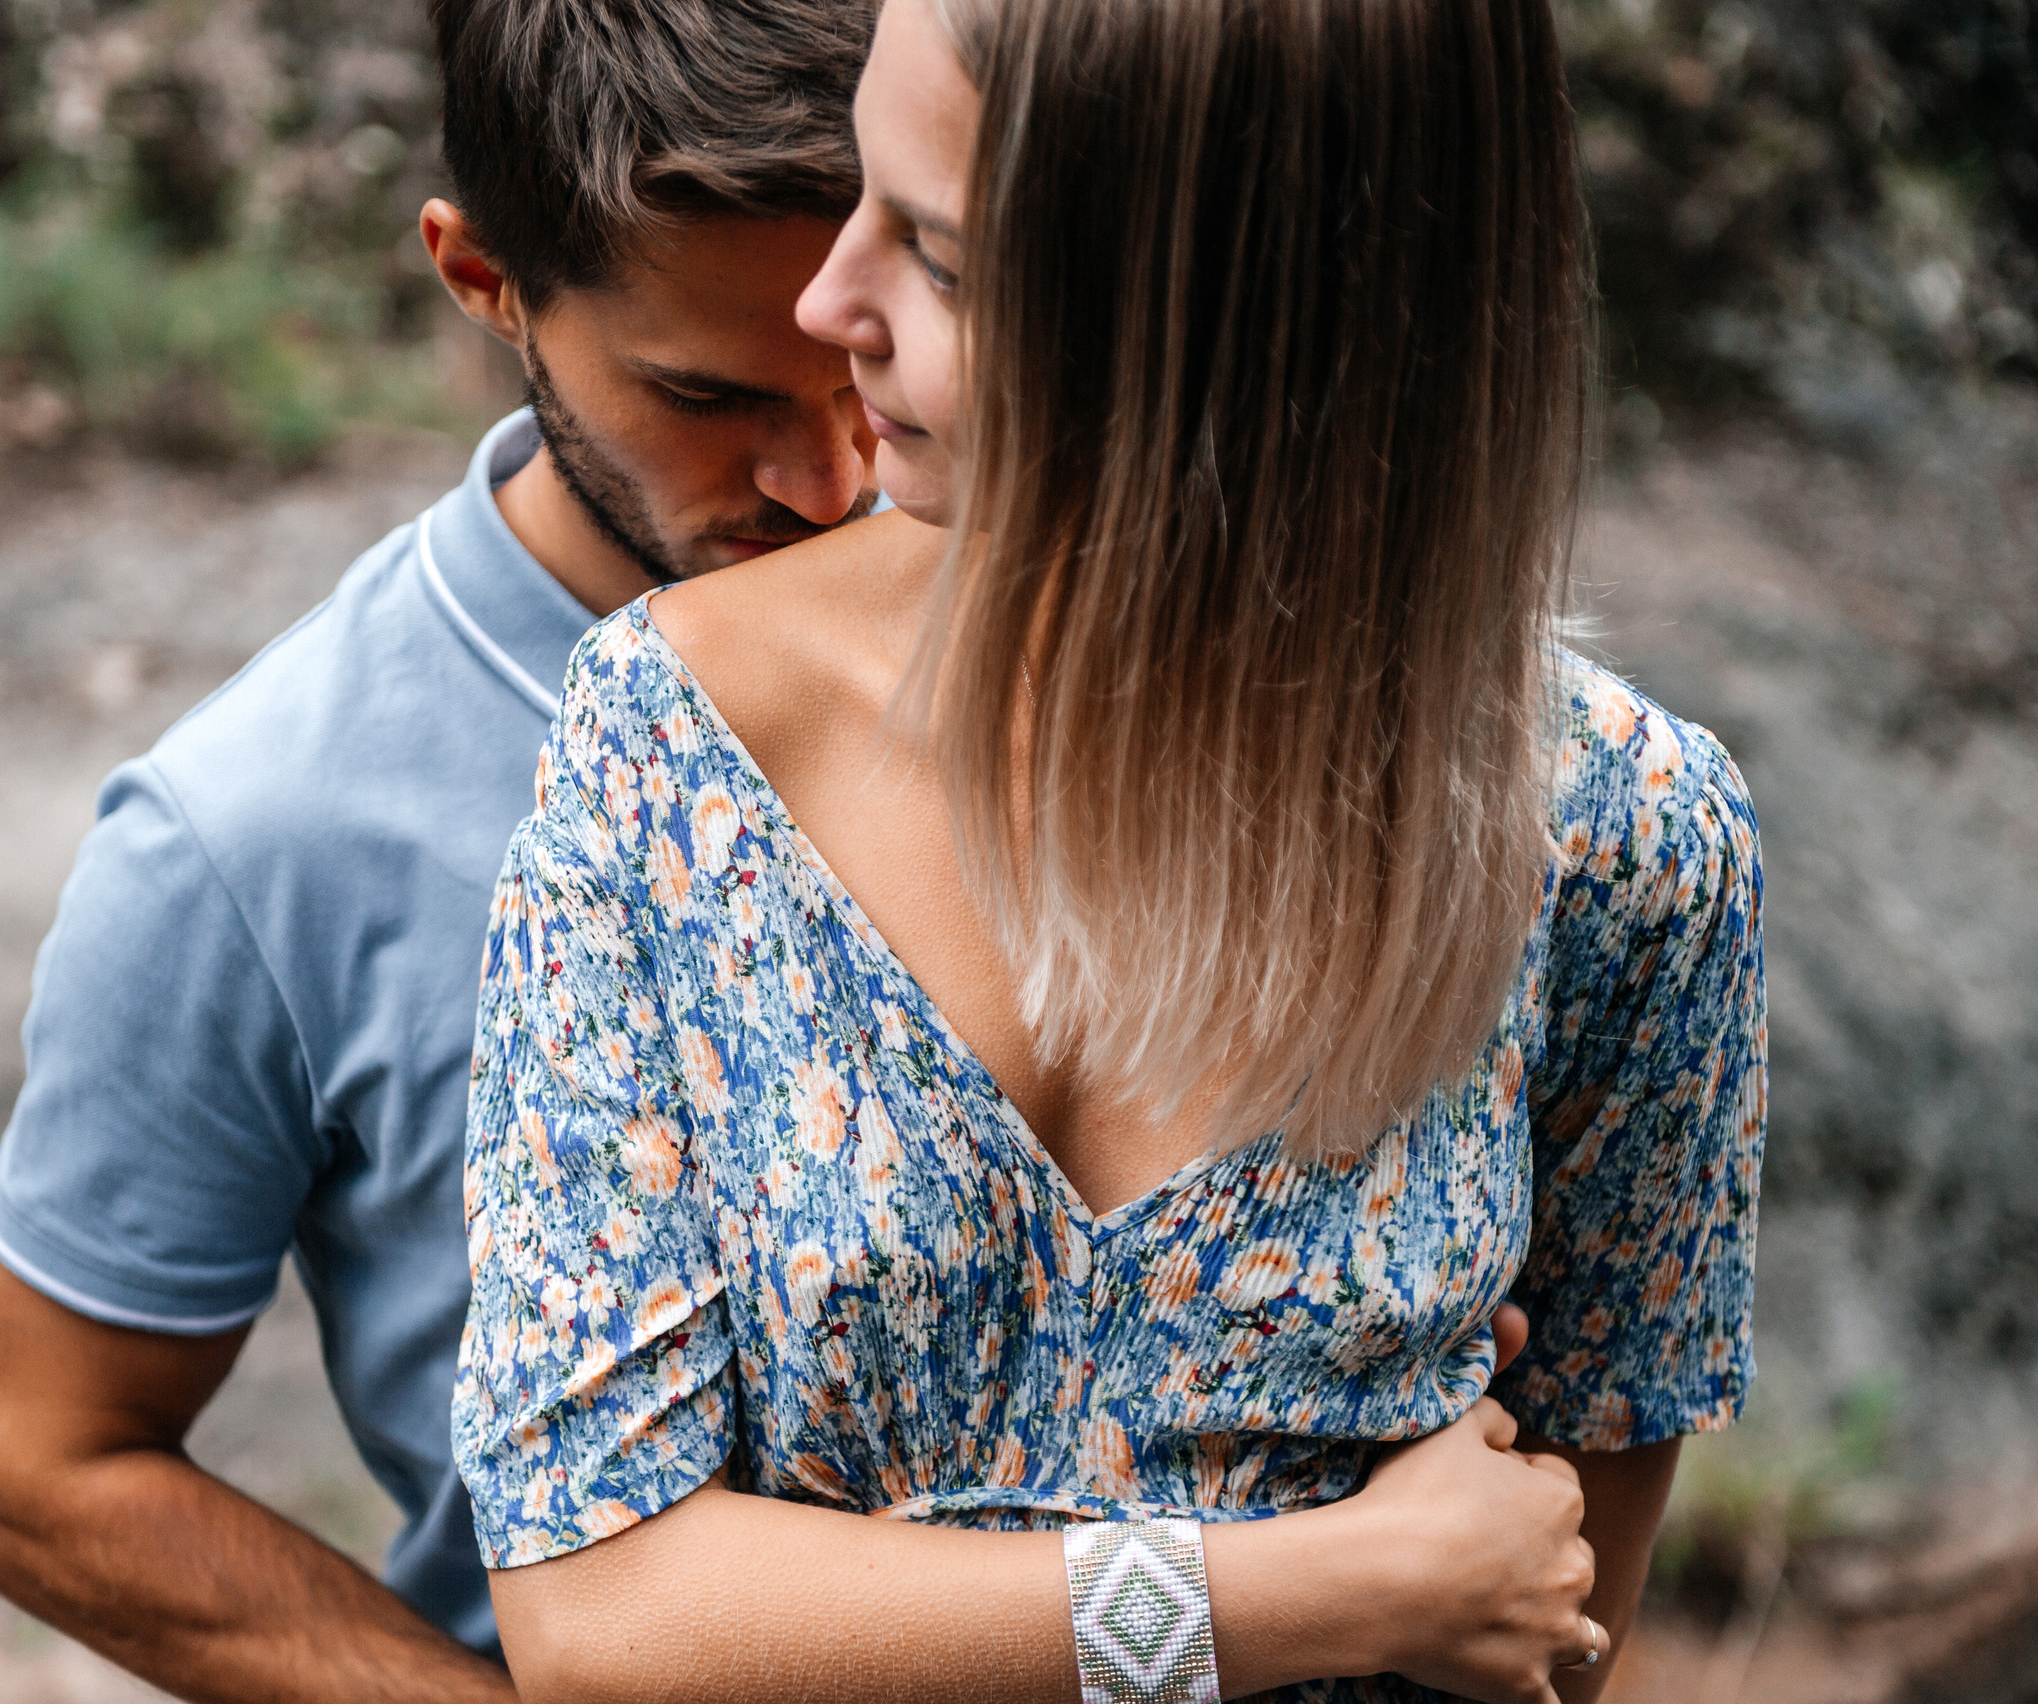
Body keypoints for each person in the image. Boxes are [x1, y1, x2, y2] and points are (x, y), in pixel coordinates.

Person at [453, 0, 1765, 1700]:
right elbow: (597, 1615)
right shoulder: (677, 739)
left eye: (933, 259)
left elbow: (1550, 1625)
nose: (824, 302)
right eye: (868, 195)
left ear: (1227, 329)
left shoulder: (1624, 840)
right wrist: (1291, 1593)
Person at [0, 3, 884, 1699]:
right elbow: (40, 1466)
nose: (831, 480)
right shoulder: (252, 833)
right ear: (483, 279)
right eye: (707, 393)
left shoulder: (1065, 621)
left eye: (873, 365)